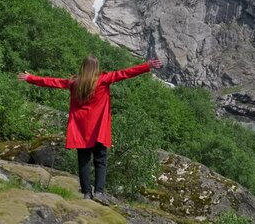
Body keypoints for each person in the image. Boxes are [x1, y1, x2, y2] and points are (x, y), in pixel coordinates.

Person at [17, 56, 163, 203]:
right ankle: (99, 192)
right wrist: (146, 66)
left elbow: (52, 82)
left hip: (81, 130)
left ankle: (87, 193)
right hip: (98, 129)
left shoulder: (74, 83)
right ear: (96, 68)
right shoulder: (103, 80)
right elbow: (125, 73)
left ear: (83, 67)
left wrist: (30, 77)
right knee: (100, 161)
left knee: (84, 162)